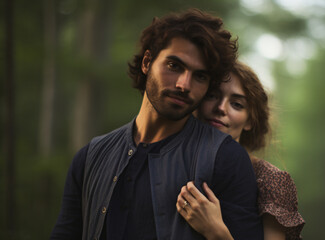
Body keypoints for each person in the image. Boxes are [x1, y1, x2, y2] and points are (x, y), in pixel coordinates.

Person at [51, 9, 264, 240]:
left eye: (200, 76)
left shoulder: (225, 158)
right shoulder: (91, 156)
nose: (184, 84)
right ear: (147, 62)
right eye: (174, 66)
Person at [176, 62, 305, 239]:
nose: (220, 108)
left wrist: (215, 231)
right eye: (212, 96)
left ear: (250, 121)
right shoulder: (173, 157)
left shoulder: (271, 180)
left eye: (236, 104)